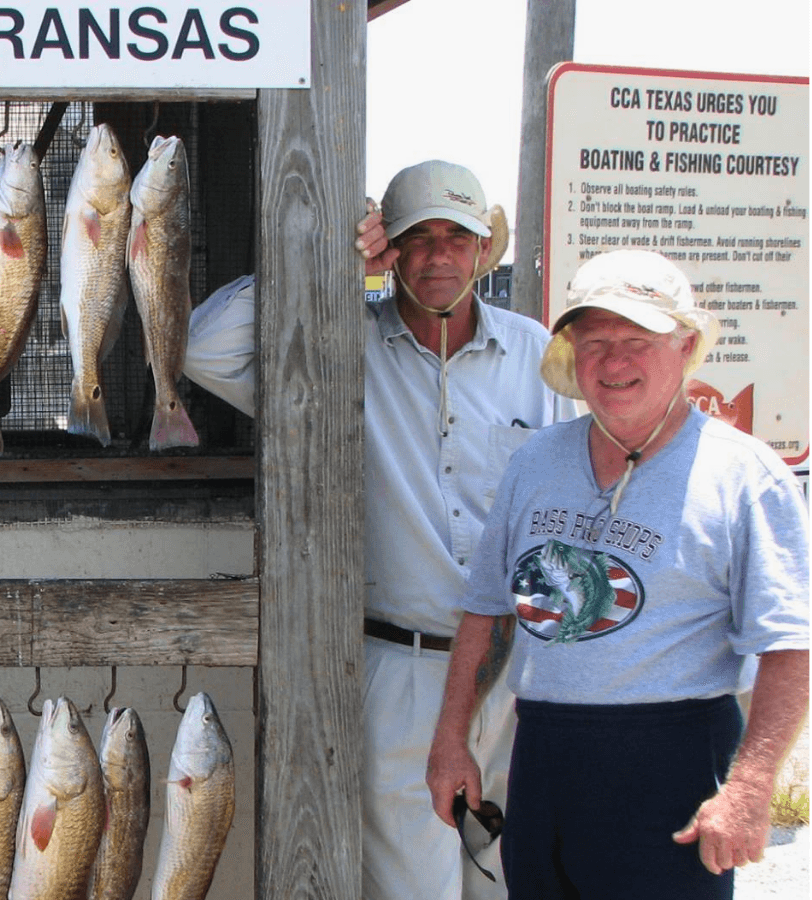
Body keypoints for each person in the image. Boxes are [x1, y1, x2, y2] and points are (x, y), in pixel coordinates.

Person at [184, 160, 574, 899]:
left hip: (524, 669)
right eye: (413, 238)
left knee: (515, 882)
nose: (435, 256)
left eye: (455, 236)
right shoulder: (336, 347)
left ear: (481, 249)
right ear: (386, 249)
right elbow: (202, 349)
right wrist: (326, 257)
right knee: (410, 889)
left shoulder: (535, 354)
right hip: (401, 666)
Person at [426, 249, 809, 899]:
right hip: (543, 752)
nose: (613, 361)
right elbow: (488, 613)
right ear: (571, 353)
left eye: (636, 339)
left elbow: (787, 644)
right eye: (594, 340)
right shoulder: (534, 463)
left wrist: (747, 787)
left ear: (685, 347)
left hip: (671, 763)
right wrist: (450, 741)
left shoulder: (742, 475)